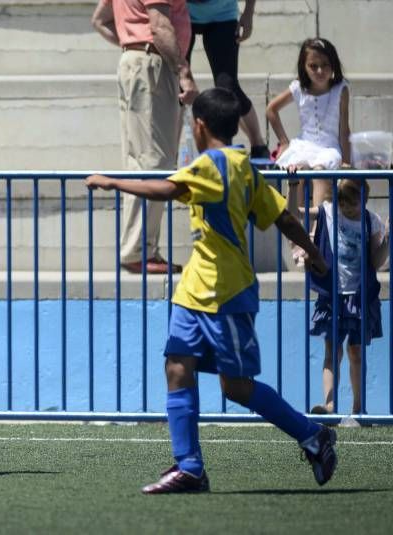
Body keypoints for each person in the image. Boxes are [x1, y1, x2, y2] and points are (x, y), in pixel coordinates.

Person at [85, 87, 337, 493]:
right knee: (177, 365)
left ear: (198, 126)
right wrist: (316, 256)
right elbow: (283, 219)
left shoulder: (214, 164)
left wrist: (112, 181)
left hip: (226, 291)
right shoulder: (244, 166)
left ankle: (313, 434)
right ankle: (190, 467)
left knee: (235, 387)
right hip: (193, 290)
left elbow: (167, 189)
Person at [91, 0, 198, 274]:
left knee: (140, 162)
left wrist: (131, 48)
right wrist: (184, 72)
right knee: (155, 162)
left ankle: (138, 249)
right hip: (153, 64)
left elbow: (100, 20)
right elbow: (160, 26)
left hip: (137, 61)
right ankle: (139, 252)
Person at [288, 179, 388, 416]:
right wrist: (293, 186)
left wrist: (387, 240)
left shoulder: (369, 220)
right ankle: (330, 404)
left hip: (359, 296)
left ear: (364, 198)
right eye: (342, 201)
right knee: (332, 351)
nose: (347, 207)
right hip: (332, 294)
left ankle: (358, 406)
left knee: (356, 352)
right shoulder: (328, 212)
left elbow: (376, 261)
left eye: (353, 202)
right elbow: (292, 214)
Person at [267, 37, 350, 209]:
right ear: (304, 67)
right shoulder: (298, 88)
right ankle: (295, 231)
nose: (320, 71)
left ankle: (317, 229)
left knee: (320, 172)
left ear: (333, 65)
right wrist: (283, 141)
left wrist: (346, 161)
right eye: (313, 66)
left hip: (329, 147)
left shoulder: (340, 89)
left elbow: (344, 130)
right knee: (296, 172)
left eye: (326, 65)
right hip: (304, 145)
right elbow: (271, 110)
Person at [185, 0, 269, 158]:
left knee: (228, 86)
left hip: (222, 15)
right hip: (184, 14)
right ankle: (172, 154)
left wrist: (248, 13)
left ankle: (258, 143)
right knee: (179, 88)